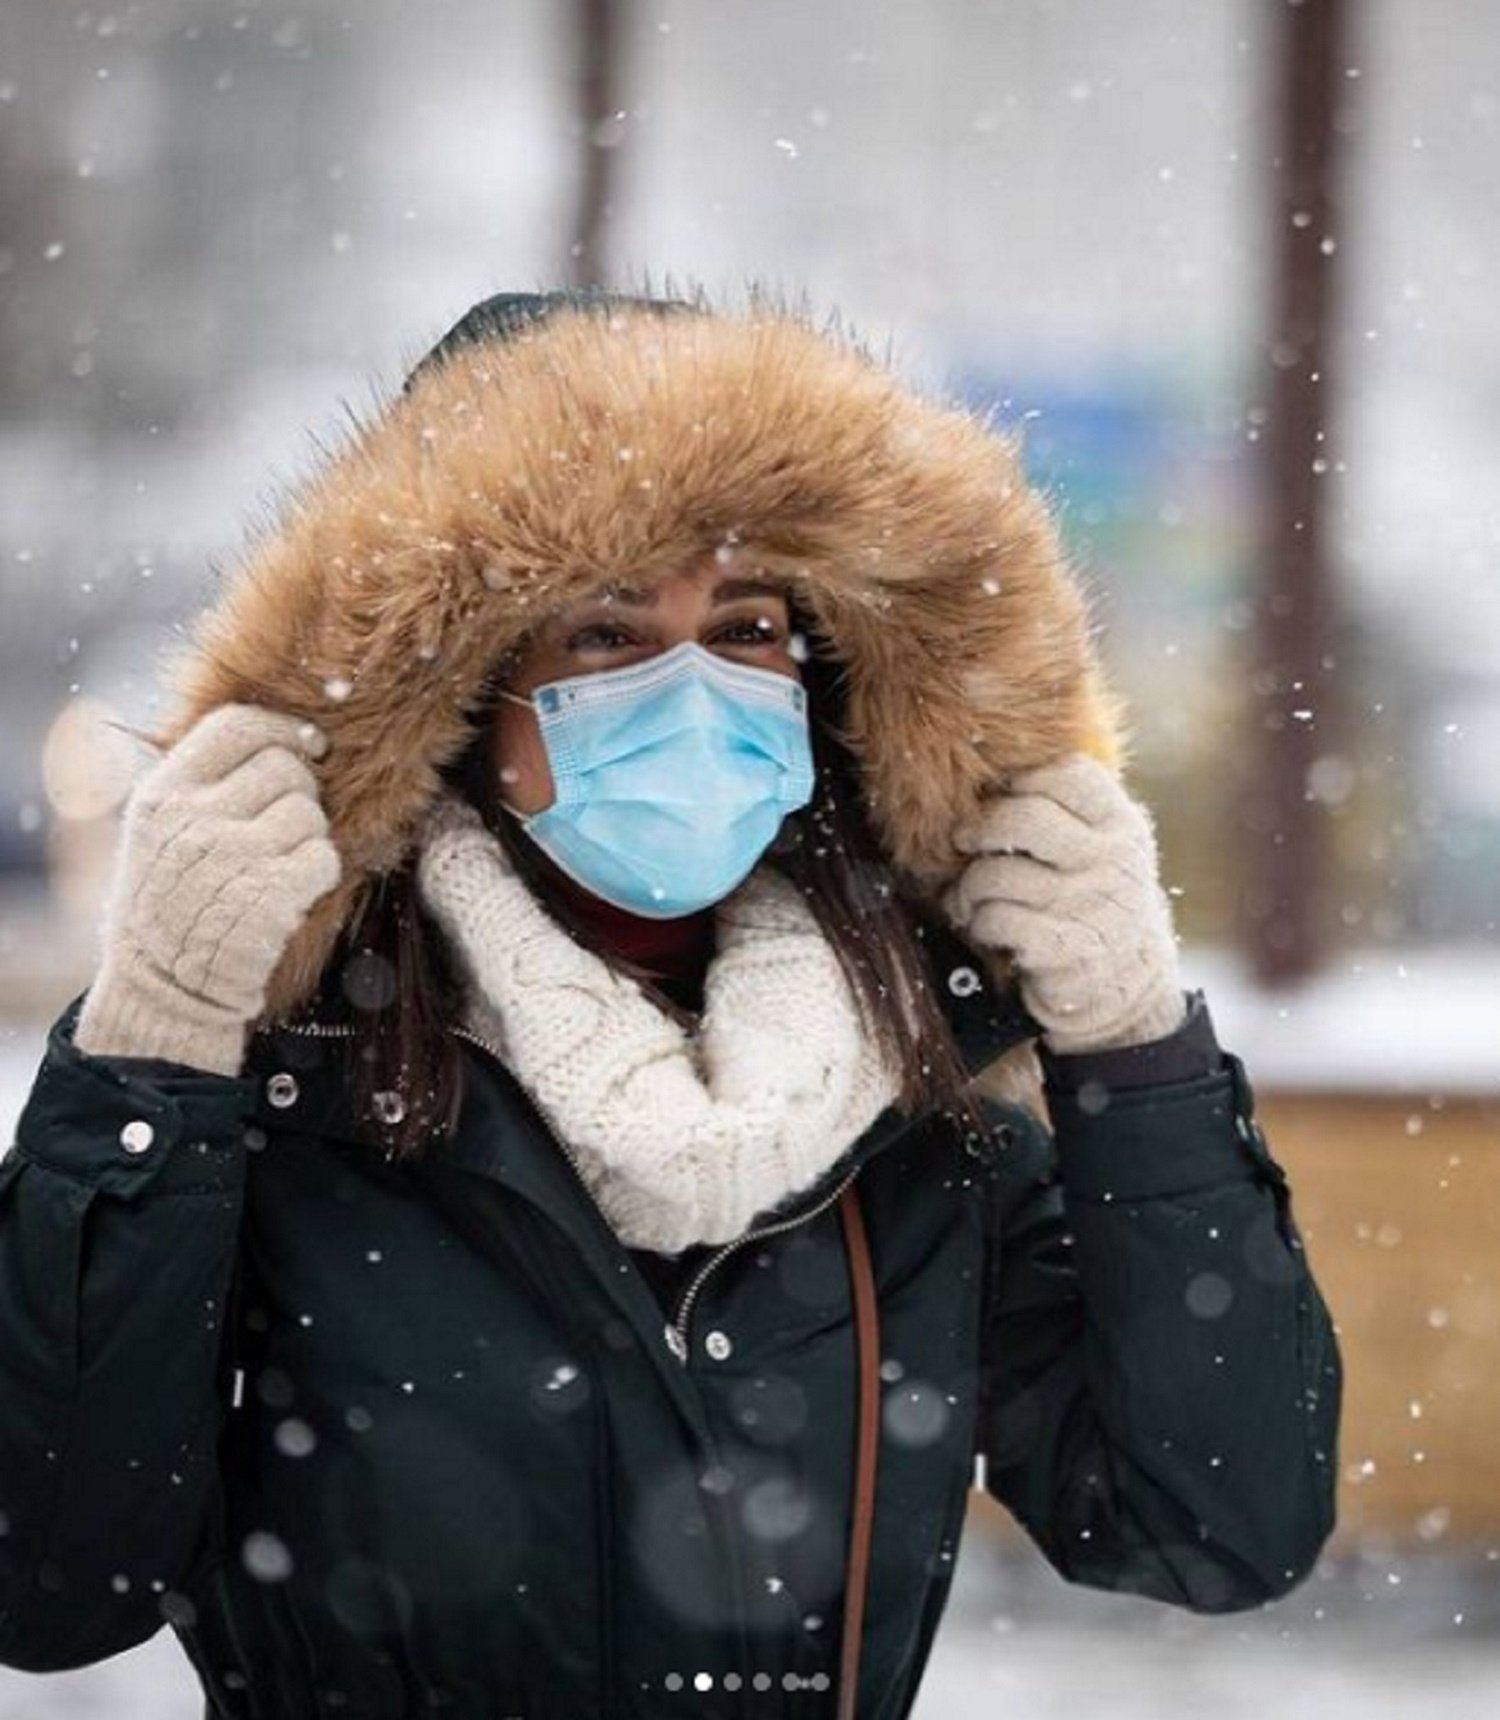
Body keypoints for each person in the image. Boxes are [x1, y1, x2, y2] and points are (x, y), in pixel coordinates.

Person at [0, 291, 1342, 1719]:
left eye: (748, 624)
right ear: (458, 689)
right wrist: (148, 1056)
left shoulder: (911, 1095)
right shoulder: (290, 1083)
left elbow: (1215, 1525)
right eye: (603, 632)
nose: (693, 689)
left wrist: (1140, 1059)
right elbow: (50, 1580)